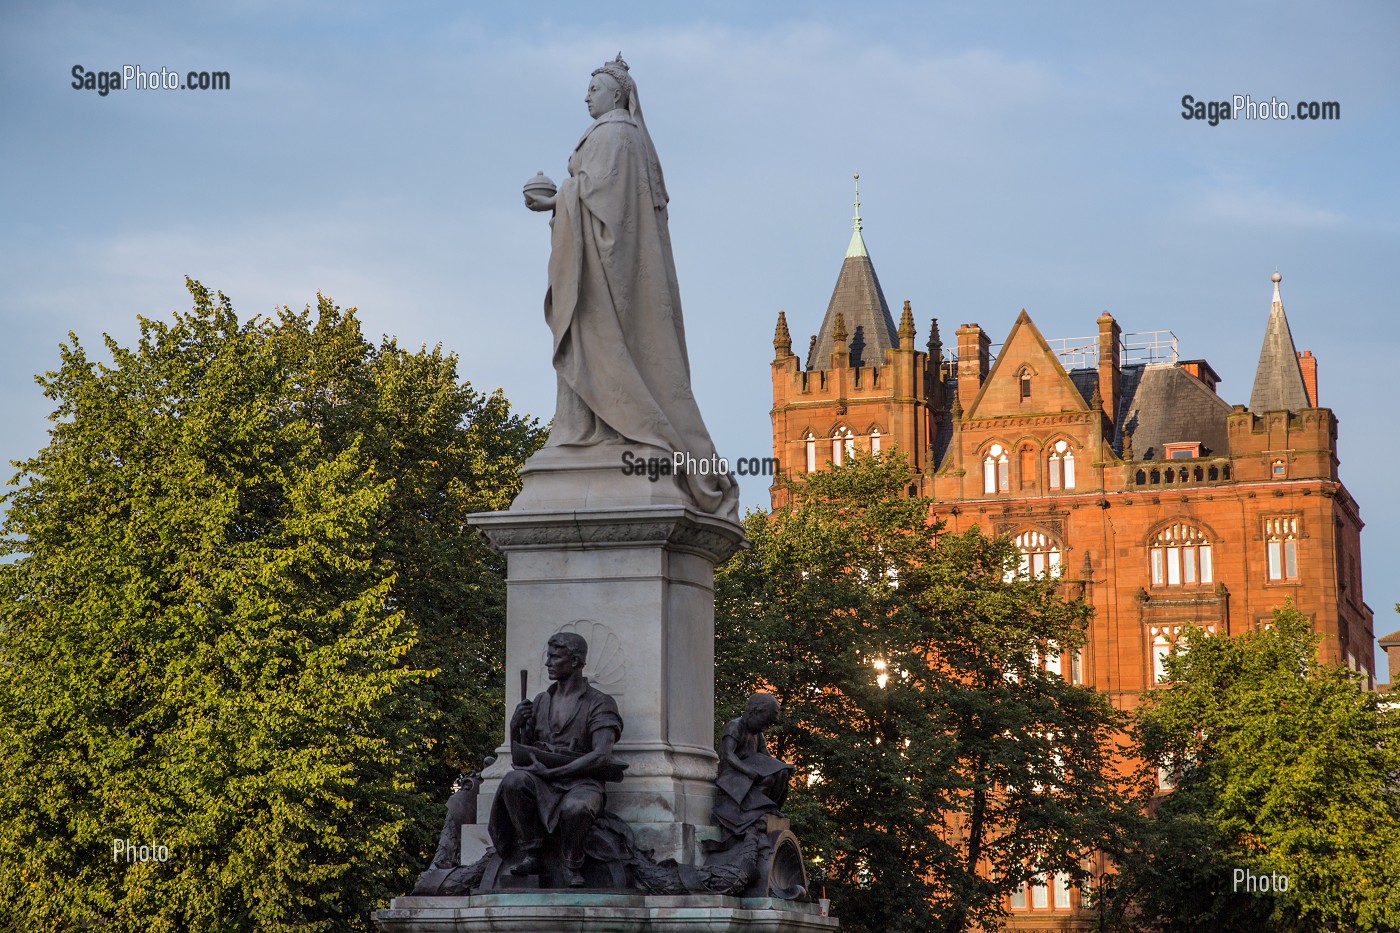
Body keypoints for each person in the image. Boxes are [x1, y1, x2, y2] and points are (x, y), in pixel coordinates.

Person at [523, 55, 738, 522]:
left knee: (598, 348)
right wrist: (565, 198)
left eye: (594, 88)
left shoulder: (614, 135)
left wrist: (558, 197)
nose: (586, 95)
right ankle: (595, 432)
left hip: (601, 276)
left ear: (617, 94)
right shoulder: (629, 138)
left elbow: (603, 203)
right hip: (606, 267)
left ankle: (603, 433)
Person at [487, 633, 623, 887]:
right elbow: (522, 753)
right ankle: (533, 853)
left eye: (554, 657)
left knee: (577, 808)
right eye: (548, 656)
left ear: (575, 661)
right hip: (543, 779)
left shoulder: (599, 702)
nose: (548, 663)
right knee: (514, 781)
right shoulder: (541, 701)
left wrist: (556, 773)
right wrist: (514, 727)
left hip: (582, 782)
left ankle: (571, 863)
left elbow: (601, 755)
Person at [712, 692, 794, 836]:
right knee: (768, 778)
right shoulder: (734, 726)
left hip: (749, 771)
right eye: (765, 722)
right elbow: (728, 755)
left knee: (781, 773)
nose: (765, 727)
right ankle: (752, 811)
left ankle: (771, 808)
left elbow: (766, 756)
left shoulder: (758, 734)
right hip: (732, 774)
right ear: (755, 711)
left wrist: (784, 767)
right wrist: (747, 771)